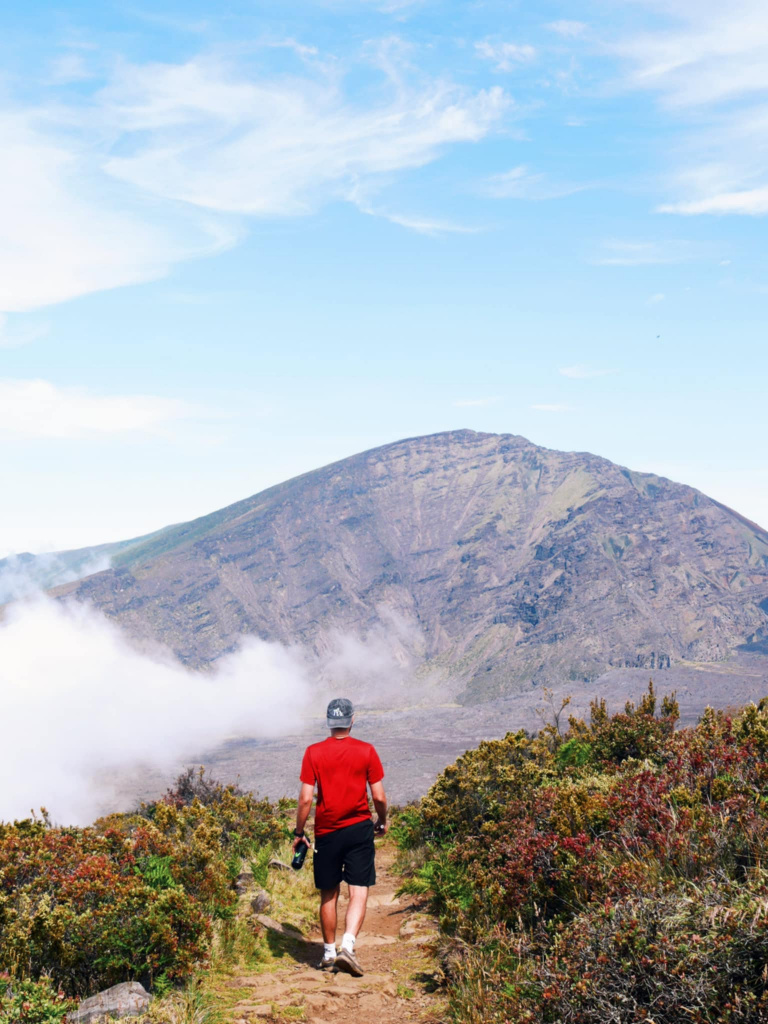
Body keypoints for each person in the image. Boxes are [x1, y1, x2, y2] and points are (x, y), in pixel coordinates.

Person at [292, 698, 388, 977]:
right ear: (352, 720)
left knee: (329, 892)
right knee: (358, 889)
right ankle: (348, 946)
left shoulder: (313, 752)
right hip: (359, 829)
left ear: (328, 722)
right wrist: (381, 821)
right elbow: (379, 797)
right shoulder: (367, 751)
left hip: (326, 832)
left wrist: (299, 832)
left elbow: (305, 799)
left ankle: (328, 953)